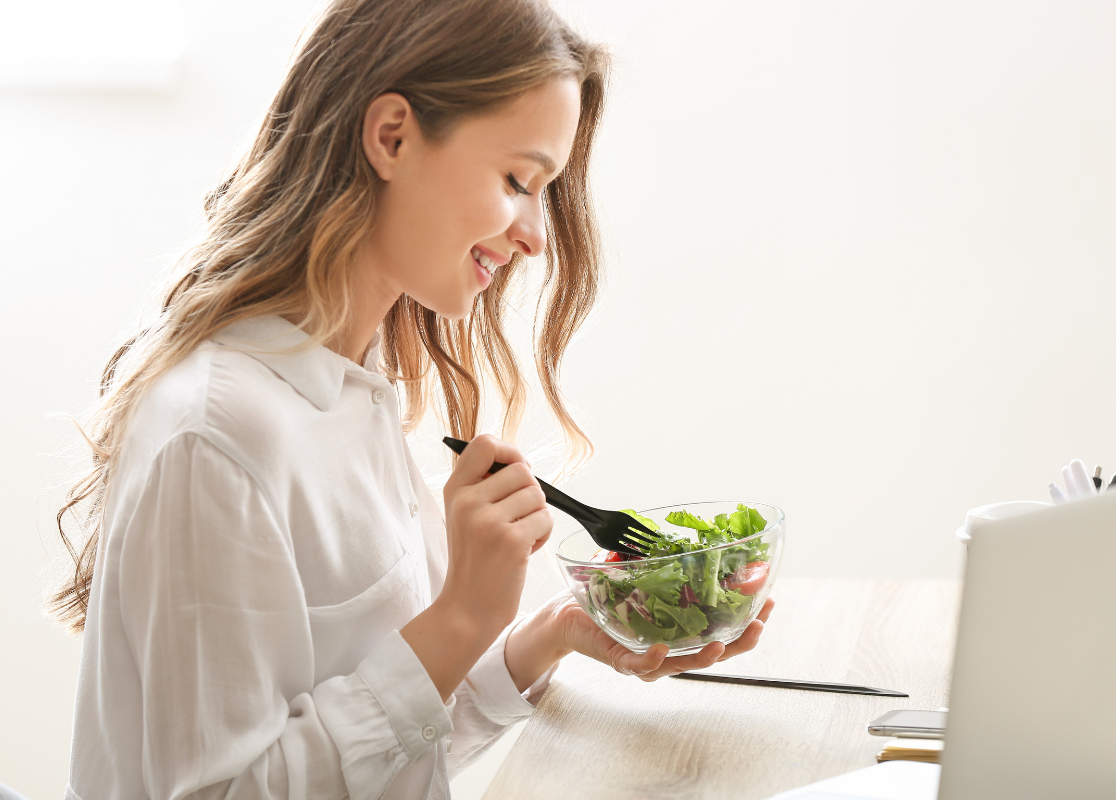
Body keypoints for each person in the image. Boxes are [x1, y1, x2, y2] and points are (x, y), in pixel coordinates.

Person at [48, 1, 774, 798]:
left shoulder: (357, 394)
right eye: (517, 180)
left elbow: (384, 754)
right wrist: (462, 614)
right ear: (391, 136)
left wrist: (556, 632)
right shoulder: (217, 435)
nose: (536, 234)